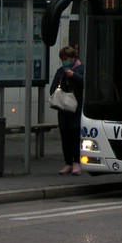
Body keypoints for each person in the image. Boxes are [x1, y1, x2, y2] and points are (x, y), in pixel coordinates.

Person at [50, 45, 84, 175]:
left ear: (73, 57)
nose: (65, 61)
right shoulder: (61, 71)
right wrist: (63, 77)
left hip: (76, 108)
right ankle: (68, 162)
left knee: (75, 135)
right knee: (65, 135)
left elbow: (85, 82)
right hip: (64, 109)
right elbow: (53, 89)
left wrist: (73, 75)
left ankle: (77, 162)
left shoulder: (81, 69)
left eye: (67, 58)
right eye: (63, 59)